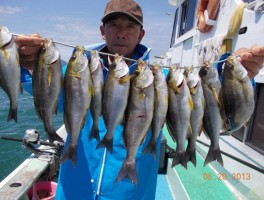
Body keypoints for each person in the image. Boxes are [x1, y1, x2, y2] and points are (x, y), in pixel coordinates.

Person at [15, 0, 264, 200]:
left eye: (130, 26)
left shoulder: (164, 80)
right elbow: (49, 97)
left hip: (132, 192)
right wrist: (31, 65)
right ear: (103, 30)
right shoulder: (76, 72)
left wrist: (241, 82)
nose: (122, 33)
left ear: (141, 33)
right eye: (114, 25)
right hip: (74, 191)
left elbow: (224, 122)